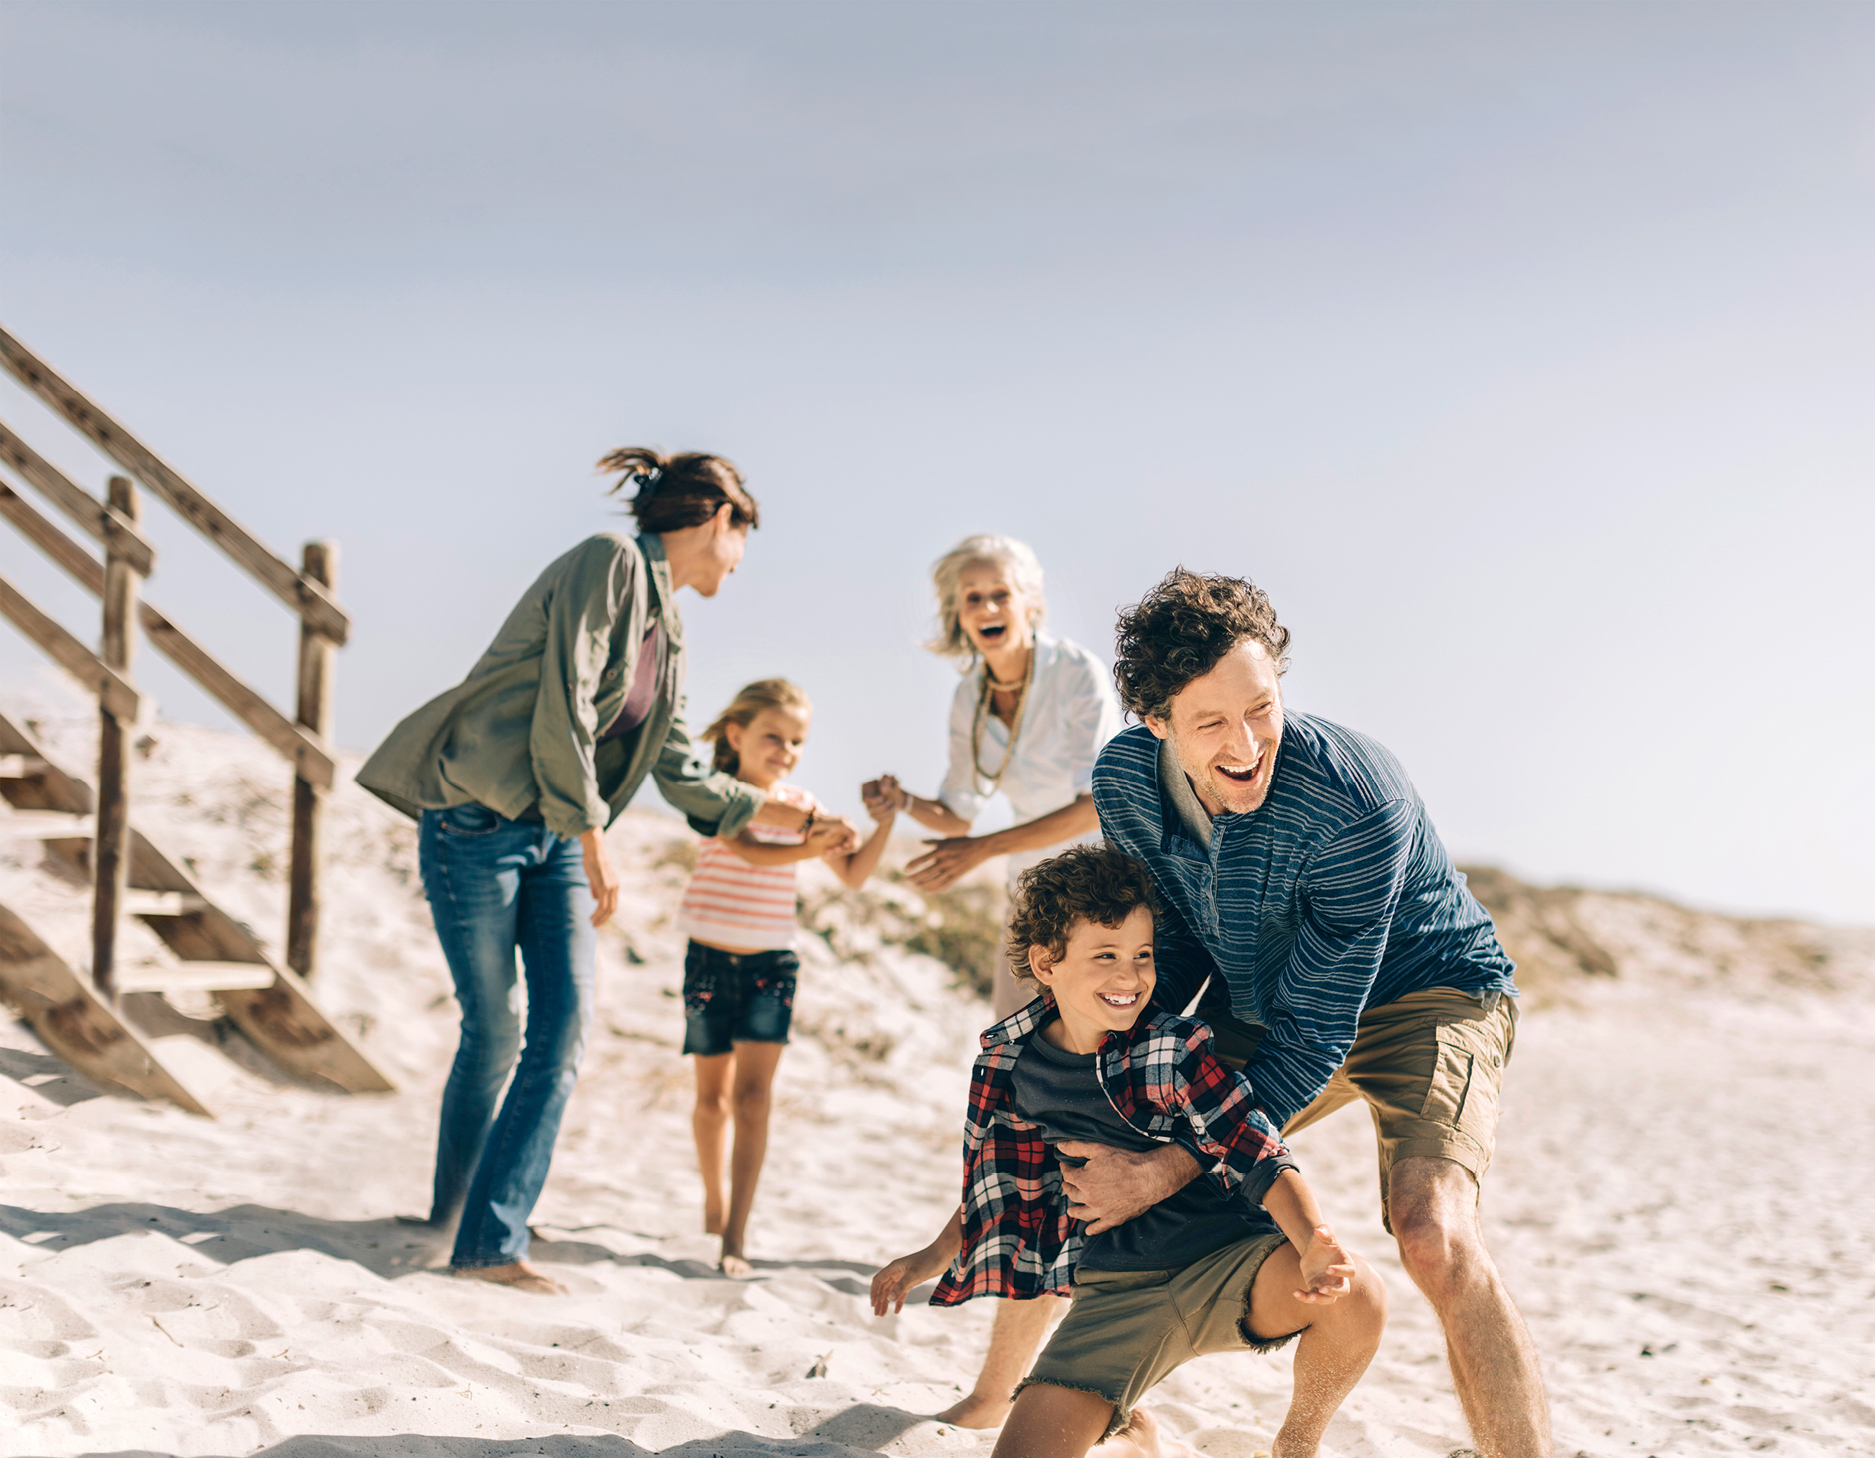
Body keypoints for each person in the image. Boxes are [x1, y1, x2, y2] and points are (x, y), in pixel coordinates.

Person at [1066, 568, 1550, 1458]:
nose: (1247, 743)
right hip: (1267, 996)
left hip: (1428, 992)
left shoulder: (1353, 801)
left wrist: (1177, 1159)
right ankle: (1108, 1405)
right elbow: (1169, 947)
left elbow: (1315, 1034)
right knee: (1095, 1156)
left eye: (1261, 707)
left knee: (1430, 1235)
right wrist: (1103, 1066)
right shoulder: (1124, 782)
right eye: (1210, 722)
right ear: (1155, 724)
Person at [357, 448, 857, 1295]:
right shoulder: (610, 562)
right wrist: (591, 834)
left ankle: (490, 1237)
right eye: (742, 542)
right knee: (495, 1025)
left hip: (555, 833)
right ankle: (455, 1215)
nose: (740, 563)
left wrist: (799, 820)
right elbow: (566, 693)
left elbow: (682, 773)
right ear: (714, 523)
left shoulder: (674, 632)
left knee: (566, 1023)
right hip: (477, 820)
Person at [871, 845, 1386, 1458]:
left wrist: (1313, 1242)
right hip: (1113, 1298)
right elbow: (1002, 1189)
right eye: (1105, 956)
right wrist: (929, 1257)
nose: (1132, 976)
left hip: (1230, 1264)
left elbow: (1256, 1147)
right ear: (1046, 964)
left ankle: (1297, 1443)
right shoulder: (1013, 1069)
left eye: (1143, 956)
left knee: (1360, 1295)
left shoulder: (1173, 1049)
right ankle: (1132, 1429)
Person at [863, 533, 1123, 1423]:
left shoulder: (1077, 674)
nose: (985, 607)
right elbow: (960, 806)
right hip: (1031, 902)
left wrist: (975, 847)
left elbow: (1097, 802)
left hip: (1105, 893)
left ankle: (1033, 1387)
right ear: (957, 613)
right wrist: (905, 808)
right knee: (1016, 1095)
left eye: (998, 592)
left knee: (1080, 1119)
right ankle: (1000, 1374)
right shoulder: (971, 692)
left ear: (1029, 601)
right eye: (970, 597)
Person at [678, 677, 894, 1276]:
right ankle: (713, 1199)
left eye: (796, 740)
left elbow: (851, 874)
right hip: (707, 961)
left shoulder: (803, 806)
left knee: (753, 1099)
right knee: (710, 1101)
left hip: (771, 967)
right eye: (773, 736)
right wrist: (811, 841)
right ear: (736, 734)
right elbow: (749, 850)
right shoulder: (717, 793)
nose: (786, 750)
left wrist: (881, 826)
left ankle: (735, 1237)